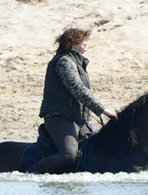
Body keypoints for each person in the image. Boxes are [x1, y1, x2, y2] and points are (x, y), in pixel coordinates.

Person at [27, 28, 118, 174]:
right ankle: (30, 173)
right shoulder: (64, 62)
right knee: (69, 155)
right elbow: (78, 90)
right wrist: (104, 110)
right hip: (59, 117)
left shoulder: (76, 62)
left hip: (77, 118)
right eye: (84, 44)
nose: (86, 48)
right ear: (72, 44)